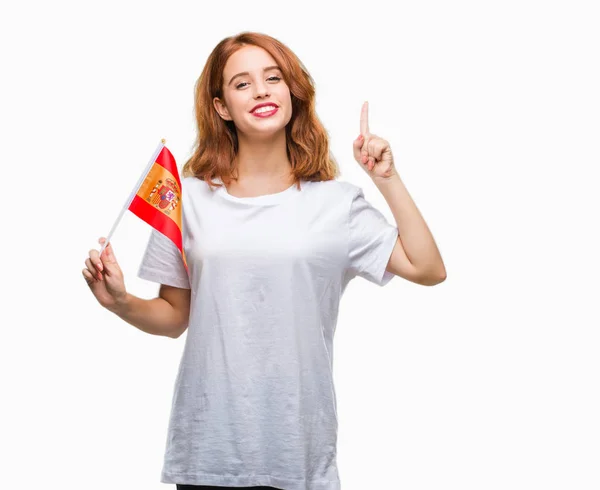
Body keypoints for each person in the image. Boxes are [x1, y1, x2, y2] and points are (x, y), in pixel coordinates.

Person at [82, 31, 446, 490]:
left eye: (273, 78)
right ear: (221, 106)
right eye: (242, 83)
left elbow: (429, 269)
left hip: (299, 453)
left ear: (291, 92)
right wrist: (119, 301)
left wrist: (386, 179)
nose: (261, 90)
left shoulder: (336, 204)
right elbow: (175, 317)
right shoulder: (188, 198)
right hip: (208, 452)